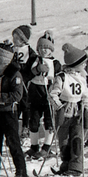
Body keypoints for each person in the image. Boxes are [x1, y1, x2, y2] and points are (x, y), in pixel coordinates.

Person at [0, 41, 29, 177]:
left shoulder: (14, 75)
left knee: (13, 143)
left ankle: (22, 174)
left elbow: (16, 96)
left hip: (8, 113)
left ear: (2, 58)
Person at [50, 43, 88, 176]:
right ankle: (66, 163)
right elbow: (52, 94)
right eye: (83, 63)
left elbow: (86, 95)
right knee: (63, 139)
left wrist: (86, 109)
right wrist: (59, 107)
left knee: (77, 138)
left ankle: (76, 166)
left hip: (77, 111)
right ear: (76, 63)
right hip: (65, 110)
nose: (85, 65)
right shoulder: (62, 77)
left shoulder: (82, 78)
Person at [24, 31, 57, 160]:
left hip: (47, 93)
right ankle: (34, 146)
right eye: (42, 48)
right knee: (34, 120)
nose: (44, 50)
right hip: (34, 93)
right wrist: (36, 70)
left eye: (47, 48)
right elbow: (26, 74)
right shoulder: (33, 60)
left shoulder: (55, 63)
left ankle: (46, 147)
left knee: (49, 121)